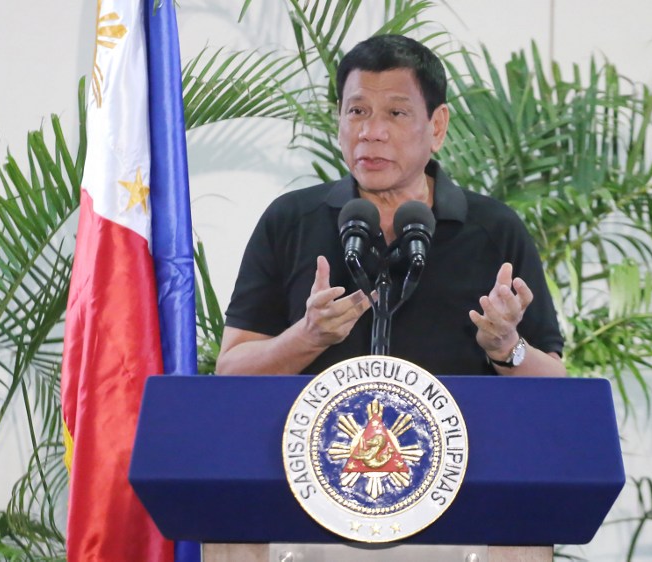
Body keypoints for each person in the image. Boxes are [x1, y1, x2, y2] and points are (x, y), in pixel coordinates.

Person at [217, 34, 566, 377]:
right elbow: (231, 370)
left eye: (396, 113)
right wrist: (307, 337)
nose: (371, 131)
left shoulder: (494, 229)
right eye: (357, 111)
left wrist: (506, 346)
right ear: (339, 121)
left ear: (438, 126)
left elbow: (555, 384)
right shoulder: (290, 220)